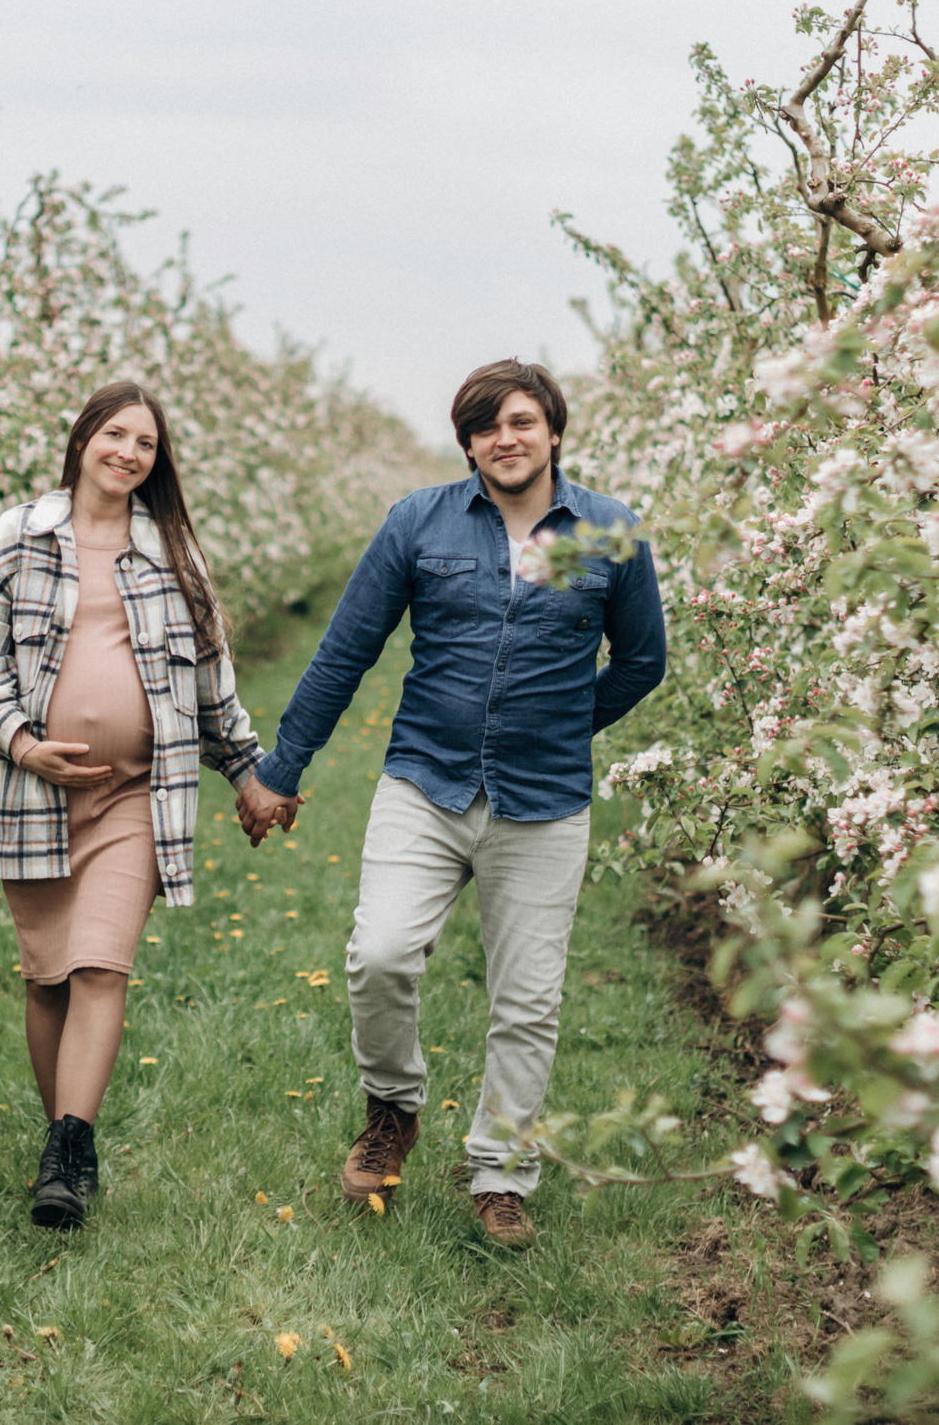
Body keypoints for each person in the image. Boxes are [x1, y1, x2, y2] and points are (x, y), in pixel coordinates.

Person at [241, 358, 666, 1248]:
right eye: (483, 426)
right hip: (424, 781)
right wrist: (281, 769)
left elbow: (640, 661)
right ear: (466, 441)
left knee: (527, 999)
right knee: (382, 953)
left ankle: (502, 1171)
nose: (502, 438)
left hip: (544, 800)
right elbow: (346, 649)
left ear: (553, 429)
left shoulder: (610, 531)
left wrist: (563, 722)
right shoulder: (419, 523)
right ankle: (393, 1106)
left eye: (519, 421)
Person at [0, 381, 287, 1228]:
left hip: (139, 792)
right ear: (84, 438)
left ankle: (70, 1145)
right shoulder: (13, 540)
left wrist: (248, 770)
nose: (129, 452)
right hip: (33, 792)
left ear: (156, 462)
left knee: (101, 964)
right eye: (116, 434)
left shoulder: (173, 555)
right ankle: (62, 1143)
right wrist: (23, 741)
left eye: (146, 443)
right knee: (48, 978)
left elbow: (211, 682)